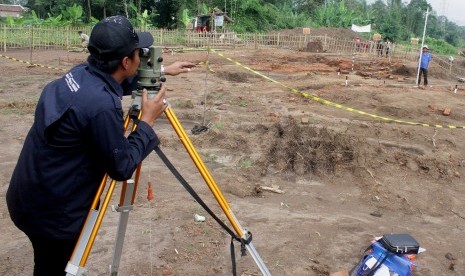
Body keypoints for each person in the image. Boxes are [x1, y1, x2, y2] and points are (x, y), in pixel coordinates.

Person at [6, 15, 195, 276]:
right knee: (53, 267)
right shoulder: (101, 107)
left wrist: (161, 71)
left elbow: (115, 82)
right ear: (127, 61)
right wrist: (147, 123)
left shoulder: (81, 74)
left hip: (28, 198)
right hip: (53, 217)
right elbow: (121, 166)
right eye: (138, 52)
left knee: (47, 262)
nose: (142, 55)